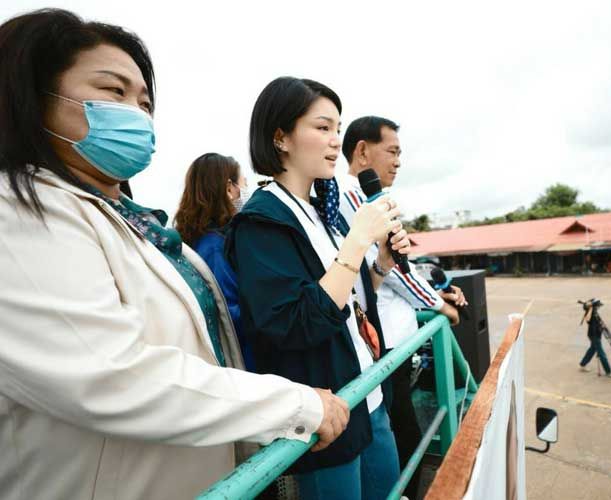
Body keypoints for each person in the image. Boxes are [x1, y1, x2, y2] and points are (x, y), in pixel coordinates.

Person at [0, 10, 348, 499]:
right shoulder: (18, 213)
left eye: (143, 101)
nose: (136, 114)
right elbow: (112, 377)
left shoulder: (133, 219)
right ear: (33, 99)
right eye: (112, 91)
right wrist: (294, 405)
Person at [227, 77, 410, 500]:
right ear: (281, 138)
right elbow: (292, 323)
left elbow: (350, 299)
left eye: (338, 130)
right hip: (328, 416)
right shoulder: (261, 221)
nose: (334, 142)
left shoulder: (320, 212)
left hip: (368, 395)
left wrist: (380, 263)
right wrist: (356, 242)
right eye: (322, 127)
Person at [339, 115, 466, 499]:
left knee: (400, 434)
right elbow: (392, 270)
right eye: (391, 151)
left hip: (396, 337)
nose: (398, 162)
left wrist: (436, 293)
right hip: (386, 341)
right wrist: (438, 305)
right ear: (362, 151)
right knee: (402, 437)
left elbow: (400, 264)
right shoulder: (354, 196)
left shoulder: (366, 197)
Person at [174, 152, 254, 369]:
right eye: (244, 184)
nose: (247, 192)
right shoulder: (216, 247)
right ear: (229, 189)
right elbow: (229, 313)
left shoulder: (201, 241)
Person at [578, 300, 611, 378]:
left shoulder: (595, 313)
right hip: (593, 335)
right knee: (602, 354)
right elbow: (588, 319)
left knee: (592, 349)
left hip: (597, 335)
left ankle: (582, 364)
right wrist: (591, 307)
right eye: (597, 306)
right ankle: (608, 372)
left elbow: (600, 323)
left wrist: (606, 330)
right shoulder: (589, 313)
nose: (598, 307)